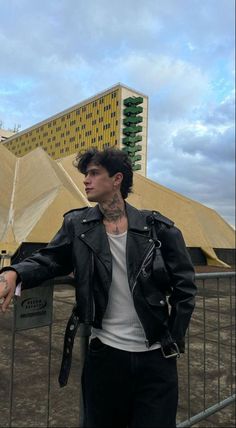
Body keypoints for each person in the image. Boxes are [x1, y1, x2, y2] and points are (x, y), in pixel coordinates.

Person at [0, 148, 197, 428]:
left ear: (116, 179)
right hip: (105, 357)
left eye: (94, 173)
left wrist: (172, 338)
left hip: (156, 359)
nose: (86, 180)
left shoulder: (159, 230)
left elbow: (185, 288)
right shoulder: (78, 225)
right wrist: (14, 272)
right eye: (86, 174)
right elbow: (50, 259)